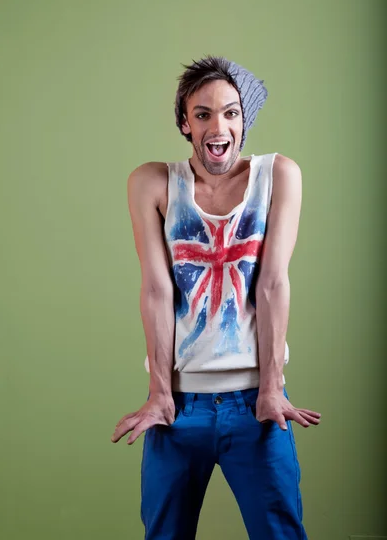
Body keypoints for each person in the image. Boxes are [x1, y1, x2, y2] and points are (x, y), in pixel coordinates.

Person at [111, 56, 321, 539]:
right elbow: (157, 289)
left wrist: (271, 387)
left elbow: (272, 283)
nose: (217, 125)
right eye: (202, 114)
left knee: (280, 532)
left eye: (230, 112)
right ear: (185, 123)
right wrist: (159, 394)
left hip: (257, 403)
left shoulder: (278, 175)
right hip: (179, 406)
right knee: (164, 533)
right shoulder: (153, 183)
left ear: (245, 120)